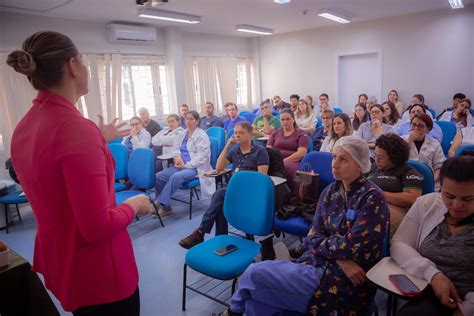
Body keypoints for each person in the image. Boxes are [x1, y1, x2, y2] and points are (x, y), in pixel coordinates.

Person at [8, 31, 150, 315]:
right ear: (73, 66)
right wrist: (134, 204)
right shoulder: (76, 130)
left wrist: (97, 136)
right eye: (83, 62)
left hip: (63, 259)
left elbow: (53, 169)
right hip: (99, 273)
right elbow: (97, 226)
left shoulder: (24, 126)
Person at [224, 136, 389, 316]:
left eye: (343, 159)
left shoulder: (373, 198)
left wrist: (325, 245)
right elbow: (312, 237)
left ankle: (232, 312)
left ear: (359, 165)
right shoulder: (330, 192)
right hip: (318, 264)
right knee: (255, 305)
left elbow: (354, 247)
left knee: (253, 273)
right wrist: (341, 258)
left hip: (343, 281)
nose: (334, 164)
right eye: (334, 157)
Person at [391, 156, 474, 316]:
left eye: (468, 199)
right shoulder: (427, 204)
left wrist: (465, 310)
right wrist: (434, 275)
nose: (456, 205)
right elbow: (399, 243)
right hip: (426, 289)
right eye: (449, 196)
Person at [178, 121, 269, 249]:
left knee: (219, 195)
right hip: (234, 190)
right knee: (220, 201)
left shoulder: (260, 151)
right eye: (236, 133)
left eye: (241, 133)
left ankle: (203, 233)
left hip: (251, 191)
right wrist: (227, 146)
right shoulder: (235, 150)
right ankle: (218, 238)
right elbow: (219, 167)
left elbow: (261, 179)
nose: (237, 135)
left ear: (249, 134)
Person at [154, 111, 215, 217]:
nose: (189, 121)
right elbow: (175, 148)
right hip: (181, 165)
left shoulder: (201, 135)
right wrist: (177, 157)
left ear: (197, 121)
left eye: (192, 119)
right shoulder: (183, 133)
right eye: (187, 119)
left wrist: (186, 165)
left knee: (175, 177)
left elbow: (202, 157)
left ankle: (158, 202)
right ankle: (166, 208)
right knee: (159, 176)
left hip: (195, 168)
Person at [368, 134, 423, 234]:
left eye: (381, 157)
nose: (377, 160)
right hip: (369, 206)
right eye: (375, 156)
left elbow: (412, 198)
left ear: (394, 158)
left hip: (393, 211)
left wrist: (379, 194)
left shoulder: (408, 172)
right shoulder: (373, 168)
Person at [268, 109, 309, 189]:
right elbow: (268, 149)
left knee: (287, 168)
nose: (285, 122)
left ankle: (291, 195)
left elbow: (301, 153)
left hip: (293, 161)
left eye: (288, 119)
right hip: (276, 161)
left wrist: (284, 161)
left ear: (293, 119)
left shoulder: (301, 133)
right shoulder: (275, 133)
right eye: (282, 119)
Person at [402, 113, 445, 184]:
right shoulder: (402, 140)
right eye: (414, 124)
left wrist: (430, 182)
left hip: (428, 180)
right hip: (405, 179)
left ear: (428, 129)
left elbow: (439, 168)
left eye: (420, 126)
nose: (416, 128)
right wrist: (409, 141)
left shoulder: (434, 144)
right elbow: (395, 160)